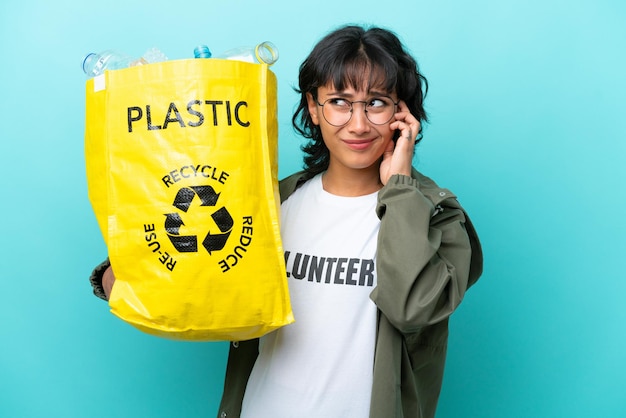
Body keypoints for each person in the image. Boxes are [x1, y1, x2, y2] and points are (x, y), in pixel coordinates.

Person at [89, 24, 483, 418]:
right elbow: (199, 279)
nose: (359, 124)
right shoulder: (271, 203)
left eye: (376, 102)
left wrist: (400, 189)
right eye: (339, 102)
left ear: (402, 113)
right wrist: (124, 276)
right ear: (313, 107)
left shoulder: (433, 216)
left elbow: (411, 309)